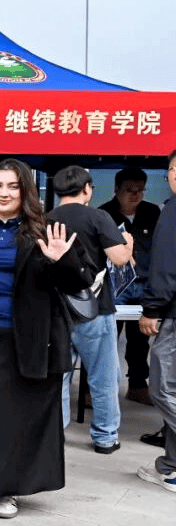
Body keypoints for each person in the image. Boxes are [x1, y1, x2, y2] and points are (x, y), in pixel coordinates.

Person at [0, 160, 92, 526]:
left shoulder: (45, 230)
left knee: (19, 420)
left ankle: (7, 489)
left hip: (30, 340)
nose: (3, 193)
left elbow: (78, 283)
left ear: (26, 191)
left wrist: (61, 259)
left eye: (12, 186)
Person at [48, 165, 133, 454]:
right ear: (87, 190)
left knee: (58, 376)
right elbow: (119, 258)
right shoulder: (98, 217)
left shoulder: (46, 219)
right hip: (95, 309)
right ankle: (105, 438)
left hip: (56, 309)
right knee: (103, 376)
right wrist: (128, 244)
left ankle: (55, 435)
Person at [99, 167, 161, 406]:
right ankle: (97, 389)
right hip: (113, 284)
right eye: (129, 190)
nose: (135, 194)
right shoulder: (103, 214)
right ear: (116, 190)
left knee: (140, 339)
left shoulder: (152, 212)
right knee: (106, 336)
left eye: (140, 190)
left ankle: (137, 385)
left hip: (144, 283)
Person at [136, 149, 176, 495]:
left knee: (162, 388)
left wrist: (152, 309)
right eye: (173, 168)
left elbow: (165, 266)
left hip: (173, 315)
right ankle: (171, 467)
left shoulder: (172, 211)